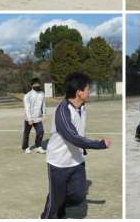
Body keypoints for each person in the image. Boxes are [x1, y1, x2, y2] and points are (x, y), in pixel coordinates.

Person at [41, 72, 111, 219]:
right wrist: (99, 144)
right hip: (59, 163)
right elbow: (73, 137)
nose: (89, 92)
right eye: (88, 89)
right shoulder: (62, 111)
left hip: (77, 161)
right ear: (79, 92)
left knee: (78, 196)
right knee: (55, 202)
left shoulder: (81, 107)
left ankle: (58, 200)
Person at [22, 78, 46, 154]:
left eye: (38, 83)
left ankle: (38, 146)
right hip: (29, 118)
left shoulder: (42, 94)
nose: (37, 85)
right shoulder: (27, 95)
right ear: (32, 85)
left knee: (41, 131)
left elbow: (43, 105)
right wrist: (29, 119)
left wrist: (44, 115)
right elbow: (27, 108)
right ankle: (25, 147)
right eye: (35, 84)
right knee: (27, 133)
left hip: (38, 117)